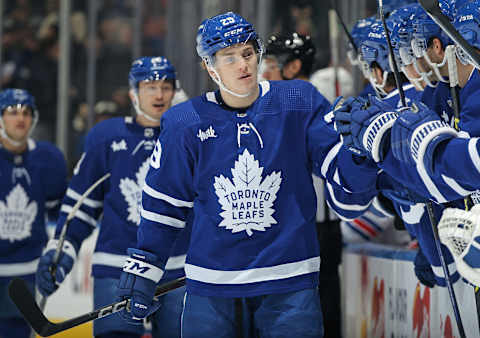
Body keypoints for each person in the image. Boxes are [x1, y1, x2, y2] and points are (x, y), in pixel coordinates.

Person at [116, 11, 380, 338]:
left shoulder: (299, 101)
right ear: (210, 67)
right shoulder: (185, 122)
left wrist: (362, 154)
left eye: (248, 53)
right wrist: (145, 266)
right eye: (229, 58)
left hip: (289, 281)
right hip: (212, 288)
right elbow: (163, 206)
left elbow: (348, 193)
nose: (242, 65)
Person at [36, 56, 189, 338]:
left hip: (177, 271)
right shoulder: (107, 137)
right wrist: (62, 248)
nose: (158, 94)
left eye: (166, 86)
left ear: (175, 91)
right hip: (118, 266)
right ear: (133, 92)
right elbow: (80, 205)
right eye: (149, 86)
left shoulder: (188, 136)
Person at [262, 31, 343, 338]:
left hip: (314, 226)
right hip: (297, 223)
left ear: (293, 67)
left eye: (270, 63)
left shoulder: (306, 105)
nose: (264, 71)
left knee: (319, 303)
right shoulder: (276, 104)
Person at [0, 88, 67, 338]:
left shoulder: (48, 158)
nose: (20, 118)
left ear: (34, 118)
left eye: (26, 112)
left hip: (26, 269)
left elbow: (60, 211)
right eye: (12, 112)